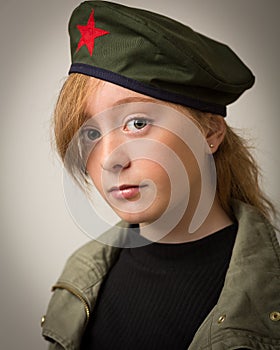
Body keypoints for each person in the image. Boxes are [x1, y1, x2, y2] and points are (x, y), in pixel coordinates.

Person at [41, 1, 280, 349]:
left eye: (137, 123)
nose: (109, 160)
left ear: (211, 132)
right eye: (91, 134)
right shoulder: (78, 282)